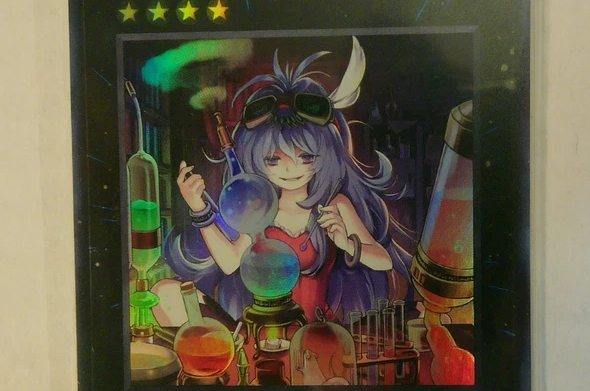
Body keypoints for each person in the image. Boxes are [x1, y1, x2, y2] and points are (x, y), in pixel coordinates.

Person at [164, 37, 410, 321]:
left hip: (319, 332)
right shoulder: (259, 207)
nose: (291, 169)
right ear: (257, 160)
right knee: (166, 292)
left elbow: (383, 261)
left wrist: (346, 242)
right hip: (266, 330)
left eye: (306, 157)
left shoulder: (335, 205)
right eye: (274, 160)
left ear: (323, 156)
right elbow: (230, 263)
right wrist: (198, 208)